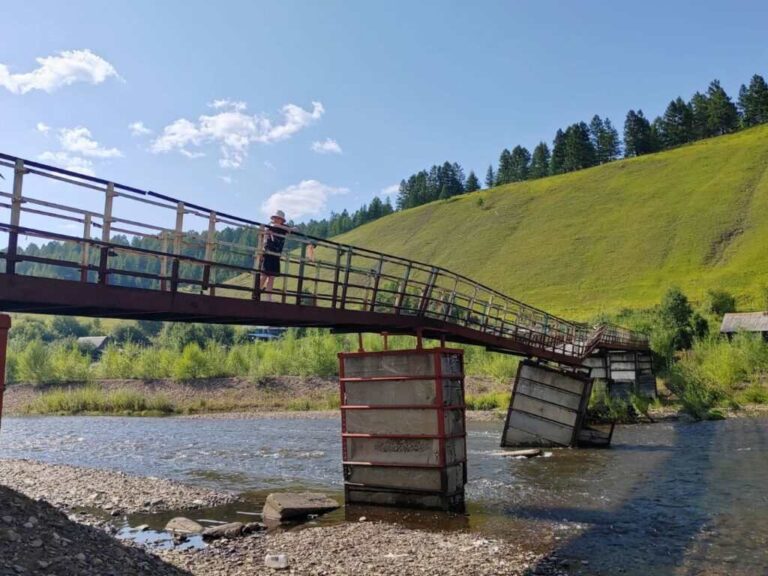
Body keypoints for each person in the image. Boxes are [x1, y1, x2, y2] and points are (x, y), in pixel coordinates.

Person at [259, 210, 316, 301]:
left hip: (277, 254)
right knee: (265, 275)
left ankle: (268, 297)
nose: (277, 220)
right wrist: (286, 229)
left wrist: (288, 229)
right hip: (268, 253)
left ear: (282, 220)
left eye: (279, 218)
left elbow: (296, 229)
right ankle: (257, 292)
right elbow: (271, 227)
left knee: (272, 277)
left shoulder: (283, 228)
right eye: (276, 218)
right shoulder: (270, 226)